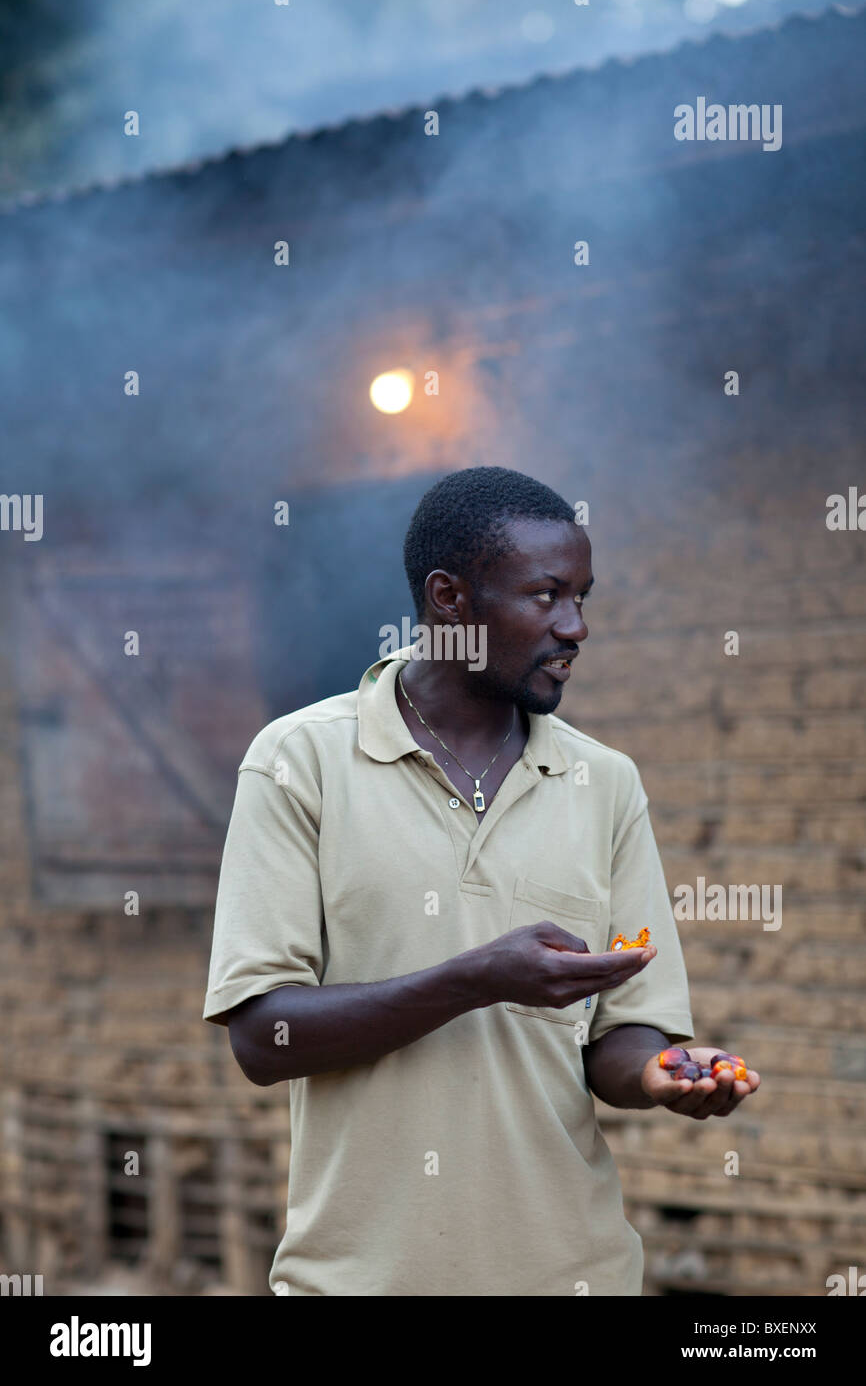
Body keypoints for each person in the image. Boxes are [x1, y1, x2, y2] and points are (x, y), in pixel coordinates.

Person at [202, 465, 760, 1296]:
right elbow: (262, 1038)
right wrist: (476, 979)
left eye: (583, 597)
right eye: (545, 596)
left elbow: (621, 1038)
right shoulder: (300, 762)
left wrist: (659, 1074)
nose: (575, 627)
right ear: (450, 600)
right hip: (362, 1281)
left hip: (577, 1275)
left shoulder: (603, 782)